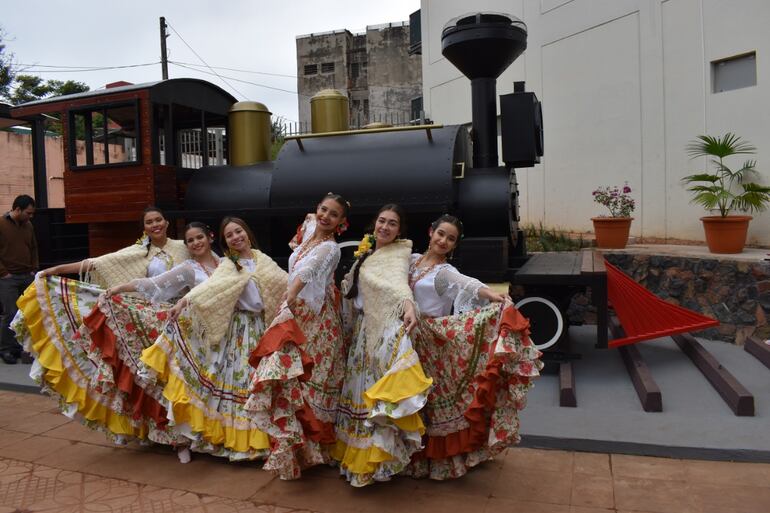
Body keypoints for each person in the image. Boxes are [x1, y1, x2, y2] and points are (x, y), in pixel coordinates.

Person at [12, 206, 188, 443]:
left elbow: (206, 269)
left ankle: (186, 432)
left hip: (182, 317)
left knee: (178, 376)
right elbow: (98, 263)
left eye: (158, 220)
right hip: (147, 319)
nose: (155, 225)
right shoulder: (138, 252)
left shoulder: (183, 248)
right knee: (148, 377)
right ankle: (158, 431)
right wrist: (55, 270)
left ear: (167, 222)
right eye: (149, 222)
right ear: (144, 228)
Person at [139, 217, 287, 462]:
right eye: (229, 235)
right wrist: (183, 301)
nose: (235, 237)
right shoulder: (230, 264)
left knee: (264, 384)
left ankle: (267, 439)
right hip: (239, 330)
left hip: (264, 326)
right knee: (242, 384)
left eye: (238, 231)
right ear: (225, 241)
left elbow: (284, 283)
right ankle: (240, 443)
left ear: (247, 232)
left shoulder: (263, 259)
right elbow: (207, 289)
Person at [406, 214, 542, 480]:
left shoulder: (445, 272)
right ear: (430, 232)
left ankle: (436, 462)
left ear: (455, 245)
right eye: (441, 234)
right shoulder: (410, 260)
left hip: (428, 340)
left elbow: (469, 284)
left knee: (429, 399)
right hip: (402, 336)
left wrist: (494, 295)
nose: (443, 241)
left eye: (451, 239)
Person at [81, 222, 220, 462]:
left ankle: (215, 437)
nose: (196, 243)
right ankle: (181, 440)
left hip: (224, 332)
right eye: (191, 240)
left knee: (215, 388)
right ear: (187, 246)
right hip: (195, 333)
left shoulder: (224, 263)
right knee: (184, 386)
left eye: (200, 238)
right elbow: (154, 284)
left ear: (210, 238)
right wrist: (120, 288)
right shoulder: (188, 268)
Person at [246, 193, 350, 479]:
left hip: (317, 319)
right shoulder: (309, 236)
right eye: (323, 209)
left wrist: (289, 297)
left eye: (333, 214)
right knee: (293, 377)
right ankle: (296, 452)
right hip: (296, 311)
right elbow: (297, 258)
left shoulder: (330, 248)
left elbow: (307, 271)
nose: (326, 216)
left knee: (311, 379)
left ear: (342, 222)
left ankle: (314, 450)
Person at [332, 204, 431, 487]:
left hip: (383, 330)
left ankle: (375, 465)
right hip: (363, 334)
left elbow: (400, 286)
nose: (385, 227)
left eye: (392, 224)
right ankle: (353, 459)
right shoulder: (367, 252)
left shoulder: (398, 254)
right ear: (374, 224)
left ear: (400, 230)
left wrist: (409, 306)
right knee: (359, 393)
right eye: (382, 221)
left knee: (377, 396)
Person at [0, 195, 37, 364]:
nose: (30, 216)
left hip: (26, 275)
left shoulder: (28, 225)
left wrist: (33, 268)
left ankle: (23, 348)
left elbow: (34, 247)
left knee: (29, 312)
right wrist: (3, 273)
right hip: (8, 278)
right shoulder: (1, 224)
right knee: (10, 313)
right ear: (17, 210)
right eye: (28, 213)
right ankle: (6, 349)